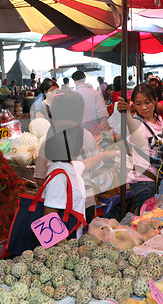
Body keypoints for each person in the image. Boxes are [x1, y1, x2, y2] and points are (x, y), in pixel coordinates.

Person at [35, 90, 108, 227]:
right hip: (86, 203)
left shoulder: (50, 138)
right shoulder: (87, 136)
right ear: (80, 113)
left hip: (61, 209)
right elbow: (95, 169)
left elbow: (39, 177)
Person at [42, 122, 118, 237]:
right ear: (73, 147)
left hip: (74, 235)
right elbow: (49, 217)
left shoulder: (68, 166)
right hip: (66, 242)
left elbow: (85, 164)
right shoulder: (58, 177)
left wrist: (105, 155)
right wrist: (61, 248)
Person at [116, 84, 163, 212]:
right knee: (146, 221)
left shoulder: (158, 119)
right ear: (133, 105)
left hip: (159, 178)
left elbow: (162, 149)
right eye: (138, 104)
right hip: (144, 181)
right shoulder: (135, 122)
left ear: (155, 100)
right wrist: (127, 114)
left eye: (147, 102)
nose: (143, 107)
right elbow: (138, 141)